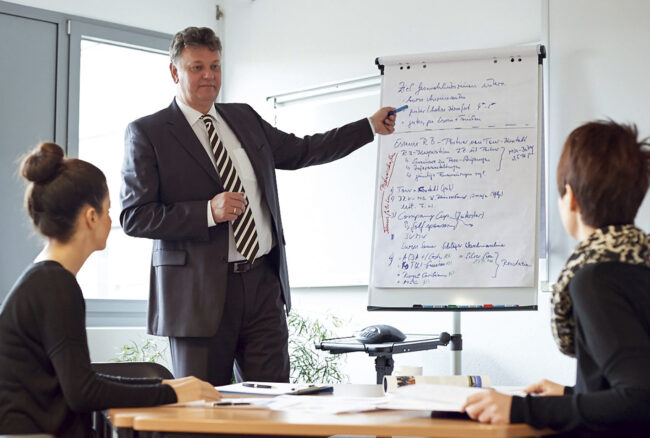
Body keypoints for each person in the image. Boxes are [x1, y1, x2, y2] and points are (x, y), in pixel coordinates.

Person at [119, 26, 396, 386]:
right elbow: (134, 216)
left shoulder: (244, 118)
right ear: (175, 72)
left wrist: (368, 127)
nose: (209, 76)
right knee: (204, 407)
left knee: (274, 401)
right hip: (198, 296)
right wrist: (207, 212)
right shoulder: (148, 132)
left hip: (262, 283)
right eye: (197, 67)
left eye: (215, 66)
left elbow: (303, 150)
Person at [0, 143, 220, 437]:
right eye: (107, 211)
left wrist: (166, 385)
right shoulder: (55, 285)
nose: (110, 220)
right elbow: (83, 392)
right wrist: (172, 393)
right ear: (91, 217)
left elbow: (80, 380)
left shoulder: (44, 278)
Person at [462, 120, 650, 436]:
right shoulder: (638, 264)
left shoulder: (595, 280)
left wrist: (520, 409)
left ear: (570, 197)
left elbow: (640, 400)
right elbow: (629, 383)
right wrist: (571, 395)